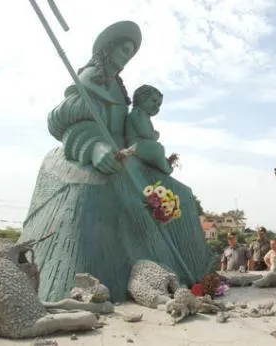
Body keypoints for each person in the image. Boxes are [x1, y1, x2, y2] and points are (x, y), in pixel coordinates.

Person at [17, 21, 215, 303]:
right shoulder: (89, 80)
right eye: (124, 49)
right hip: (95, 155)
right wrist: (95, 147)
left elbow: (127, 130)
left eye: (131, 52)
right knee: (98, 187)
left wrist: (144, 151)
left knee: (178, 191)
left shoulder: (119, 89)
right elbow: (70, 124)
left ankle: (192, 270)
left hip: (125, 156)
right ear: (107, 49)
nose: (127, 56)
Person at [125, 84, 176, 175]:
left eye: (159, 104)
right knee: (158, 149)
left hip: (139, 144)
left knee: (157, 149)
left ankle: (163, 164)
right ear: (142, 98)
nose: (156, 106)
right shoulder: (138, 114)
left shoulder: (143, 115)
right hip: (134, 146)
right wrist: (156, 135)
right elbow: (147, 134)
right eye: (154, 101)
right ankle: (166, 168)